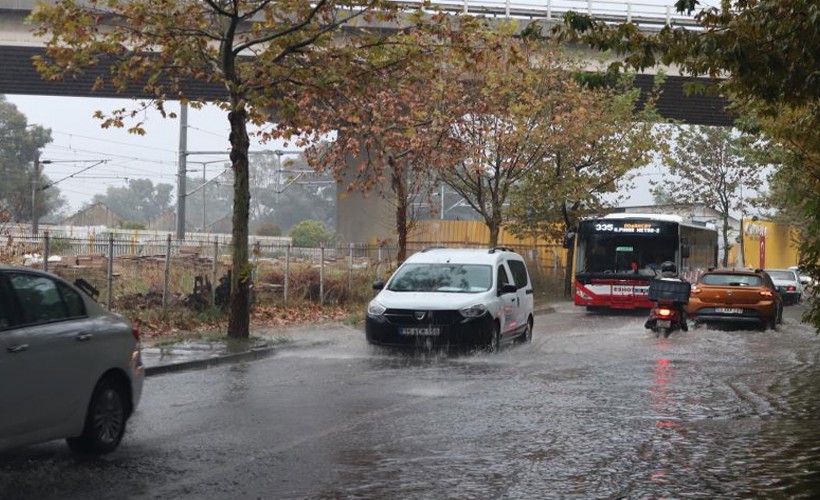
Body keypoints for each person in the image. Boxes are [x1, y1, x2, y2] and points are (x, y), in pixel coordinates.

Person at [658, 261, 689, 331]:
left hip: (661, 301)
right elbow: (686, 287)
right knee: (683, 310)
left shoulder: (658, 278)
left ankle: (649, 320)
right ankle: (684, 324)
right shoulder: (680, 278)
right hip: (675, 302)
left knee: (654, 307)